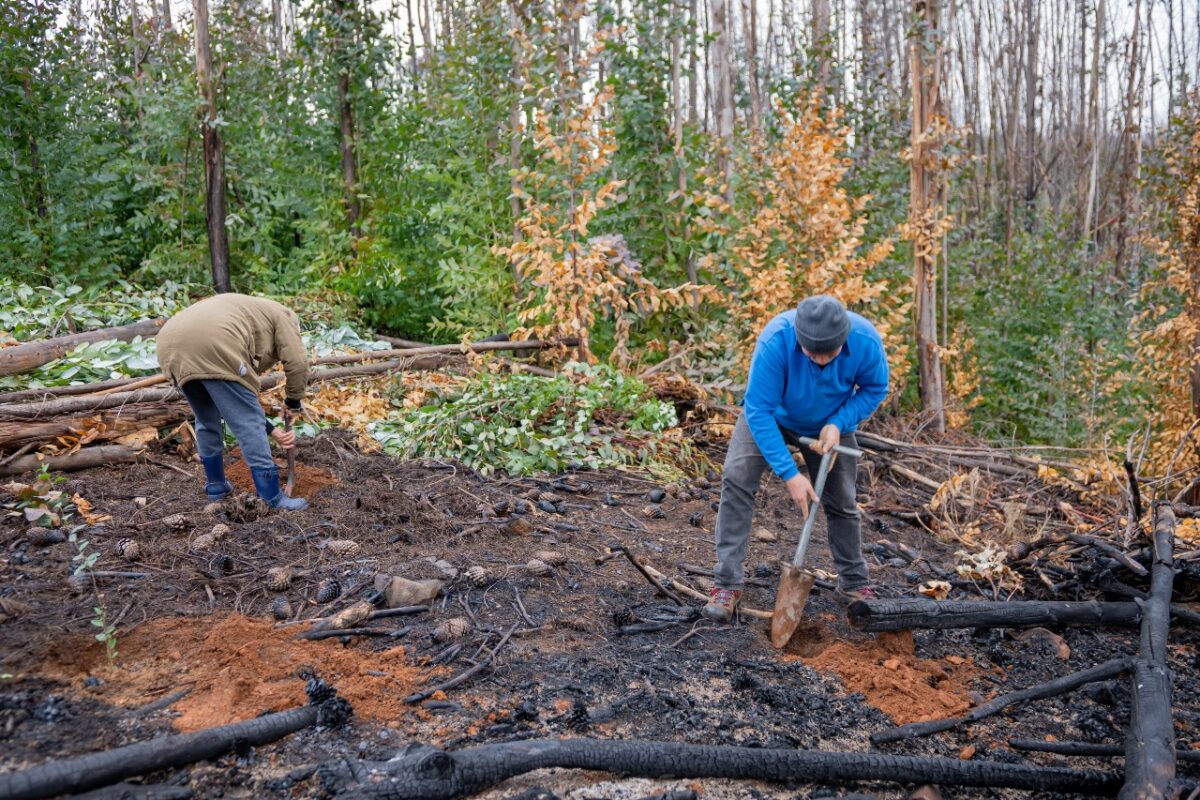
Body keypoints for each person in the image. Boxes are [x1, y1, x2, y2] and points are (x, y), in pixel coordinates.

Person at [704, 295, 889, 622]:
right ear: (800, 340)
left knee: (843, 499)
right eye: (811, 353)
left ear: (842, 341)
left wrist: (838, 423)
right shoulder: (776, 340)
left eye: (828, 355)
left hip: (831, 422)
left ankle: (854, 583)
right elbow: (758, 410)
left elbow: (875, 388)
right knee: (736, 477)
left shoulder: (865, 340)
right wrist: (790, 474)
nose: (819, 361)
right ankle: (727, 584)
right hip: (772, 416)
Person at [156, 293, 309, 511]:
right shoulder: (284, 316)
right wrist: (294, 401)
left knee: (206, 417)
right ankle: (271, 497)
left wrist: (273, 430)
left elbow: (228, 405)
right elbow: (298, 362)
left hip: (170, 344)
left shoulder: (250, 310)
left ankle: (216, 486)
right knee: (248, 422)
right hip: (215, 341)